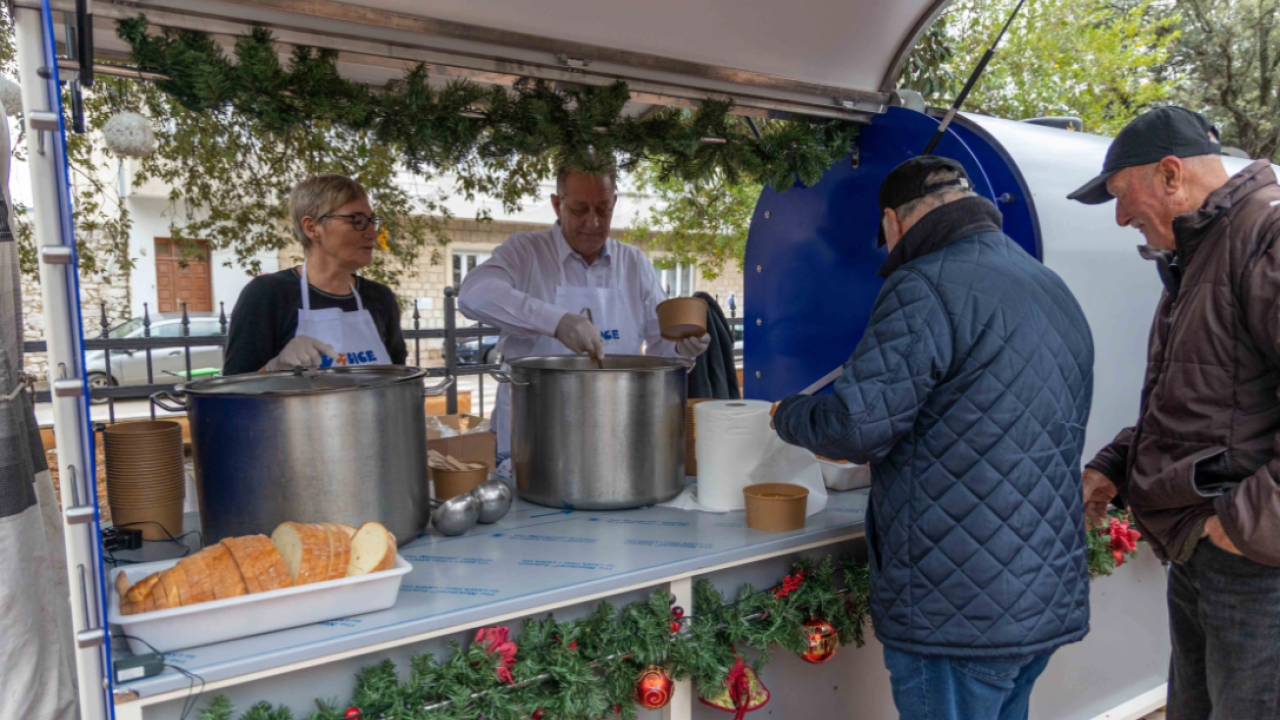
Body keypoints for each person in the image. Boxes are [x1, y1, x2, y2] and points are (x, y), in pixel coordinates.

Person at [772, 156, 1094, 720]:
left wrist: (787, 415)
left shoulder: (922, 285)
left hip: (956, 610)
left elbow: (856, 426)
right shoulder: (1048, 284)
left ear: (894, 222)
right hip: (1038, 595)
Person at [1068, 106, 1280, 720]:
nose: (1120, 216)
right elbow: (1197, 401)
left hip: (1253, 564)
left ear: (1169, 175)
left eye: (1119, 195)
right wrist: (1115, 465)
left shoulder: (1264, 235)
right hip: (1206, 551)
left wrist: (1242, 526)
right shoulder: (1199, 255)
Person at [458, 162, 710, 459]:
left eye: (603, 210)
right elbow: (473, 294)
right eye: (579, 209)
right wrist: (556, 321)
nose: (593, 223)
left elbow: (660, 350)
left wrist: (683, 347)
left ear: (614, 203)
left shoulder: (634, 264)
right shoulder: (525, 252)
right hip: (533, 433)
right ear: (557, 204)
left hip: (616, 428)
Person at [224, 175, 407, 374]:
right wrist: (275, 367)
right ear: (312, 228)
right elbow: (233, 393)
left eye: (372, 221)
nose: (372, 233)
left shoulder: (380, 298)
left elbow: (399, 377)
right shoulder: (268, 294)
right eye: (357, 220)